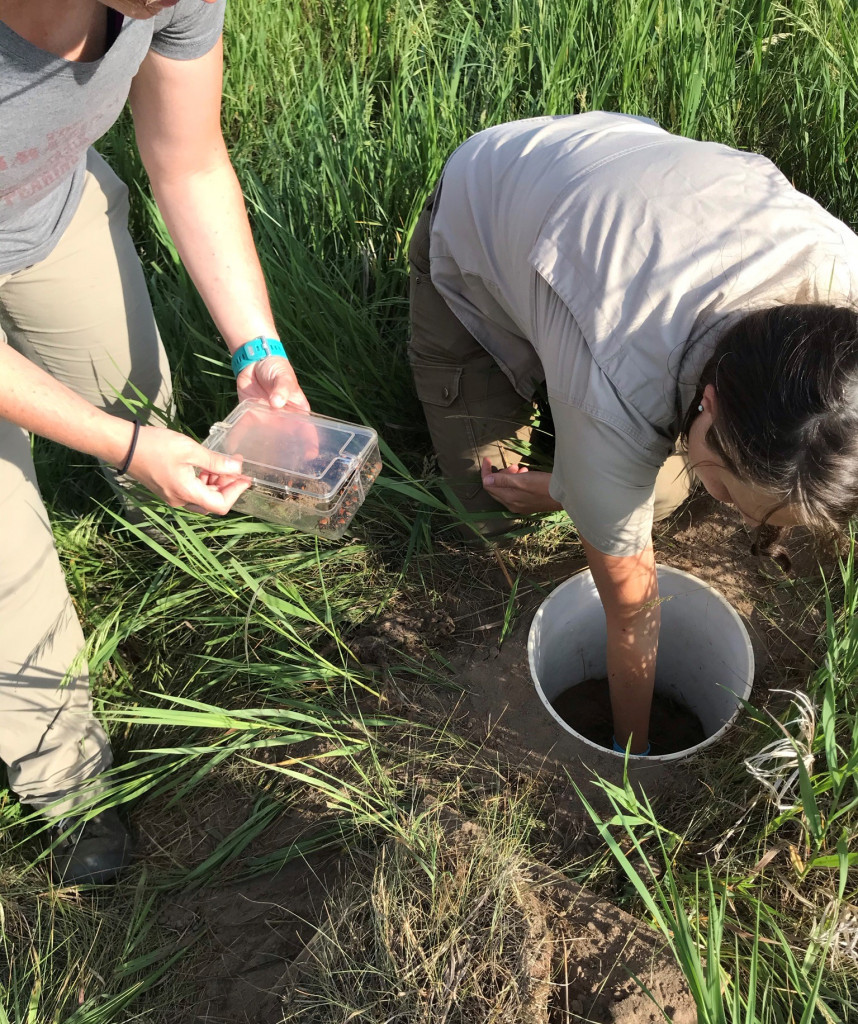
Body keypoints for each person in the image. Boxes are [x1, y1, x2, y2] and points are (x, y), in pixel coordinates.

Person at [408, 111, 858, 756]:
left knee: (660, 493)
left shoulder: (845, 287)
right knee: (496, 514)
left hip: (628, 191)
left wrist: (578, 488)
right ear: (710, 401)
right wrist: (632, 755)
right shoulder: (617, 392)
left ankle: (582, 437)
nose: (728, 511)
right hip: (493, 196)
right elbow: (630, 612)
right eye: (730, 491)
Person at [0, 0, 310, 883]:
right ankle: (68, 785)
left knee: (140, 397)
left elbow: (190, 158)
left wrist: (259, 350)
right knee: (5, 565)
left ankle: (173, 557)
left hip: (49, 214)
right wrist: (130, 447)